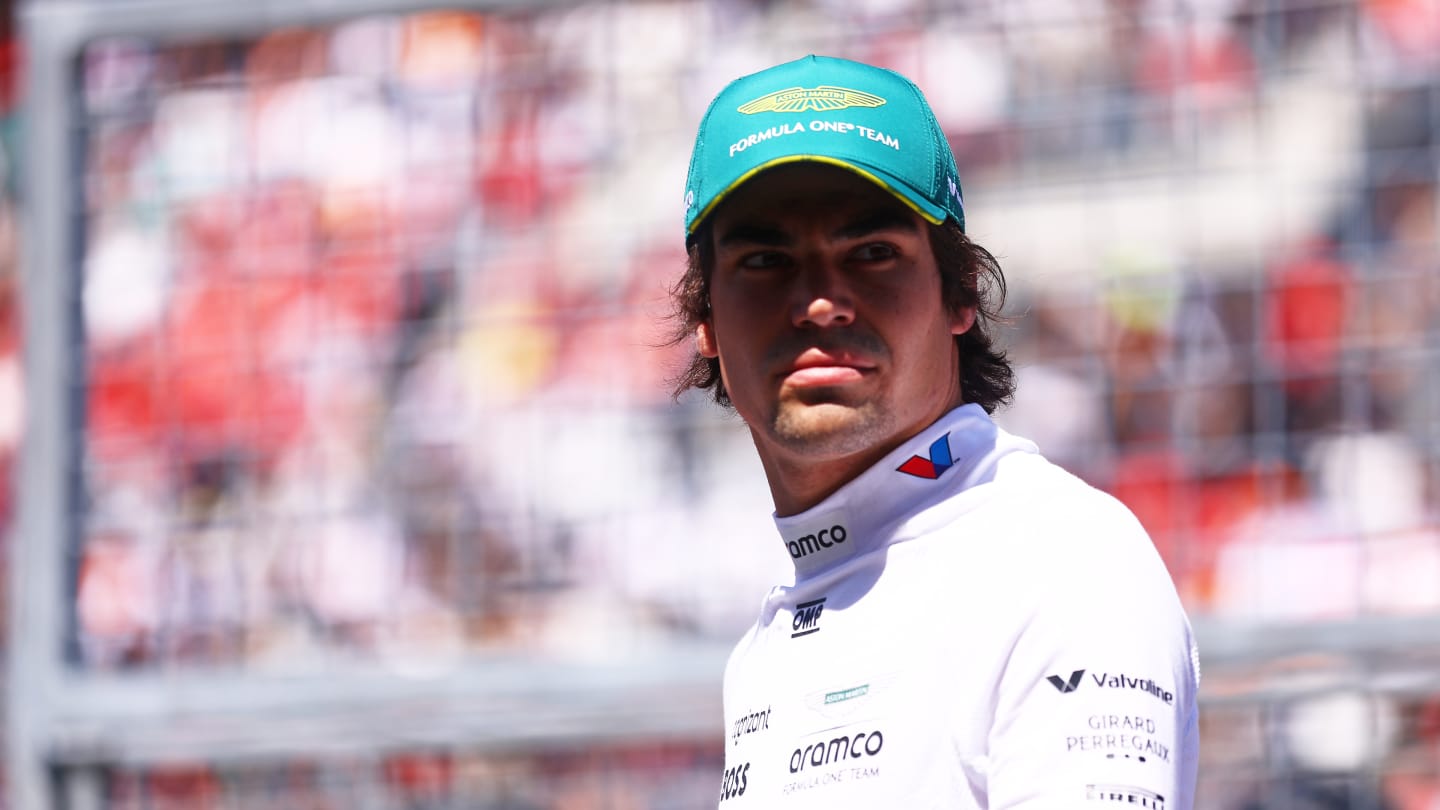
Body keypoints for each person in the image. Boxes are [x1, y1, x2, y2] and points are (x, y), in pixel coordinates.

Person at [670, 55, 1199, 809]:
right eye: (764, 260)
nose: (820, 302)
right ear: (706, 325)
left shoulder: (1061, 559)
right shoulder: (772, 635)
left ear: (961, 297)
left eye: (873, 253)